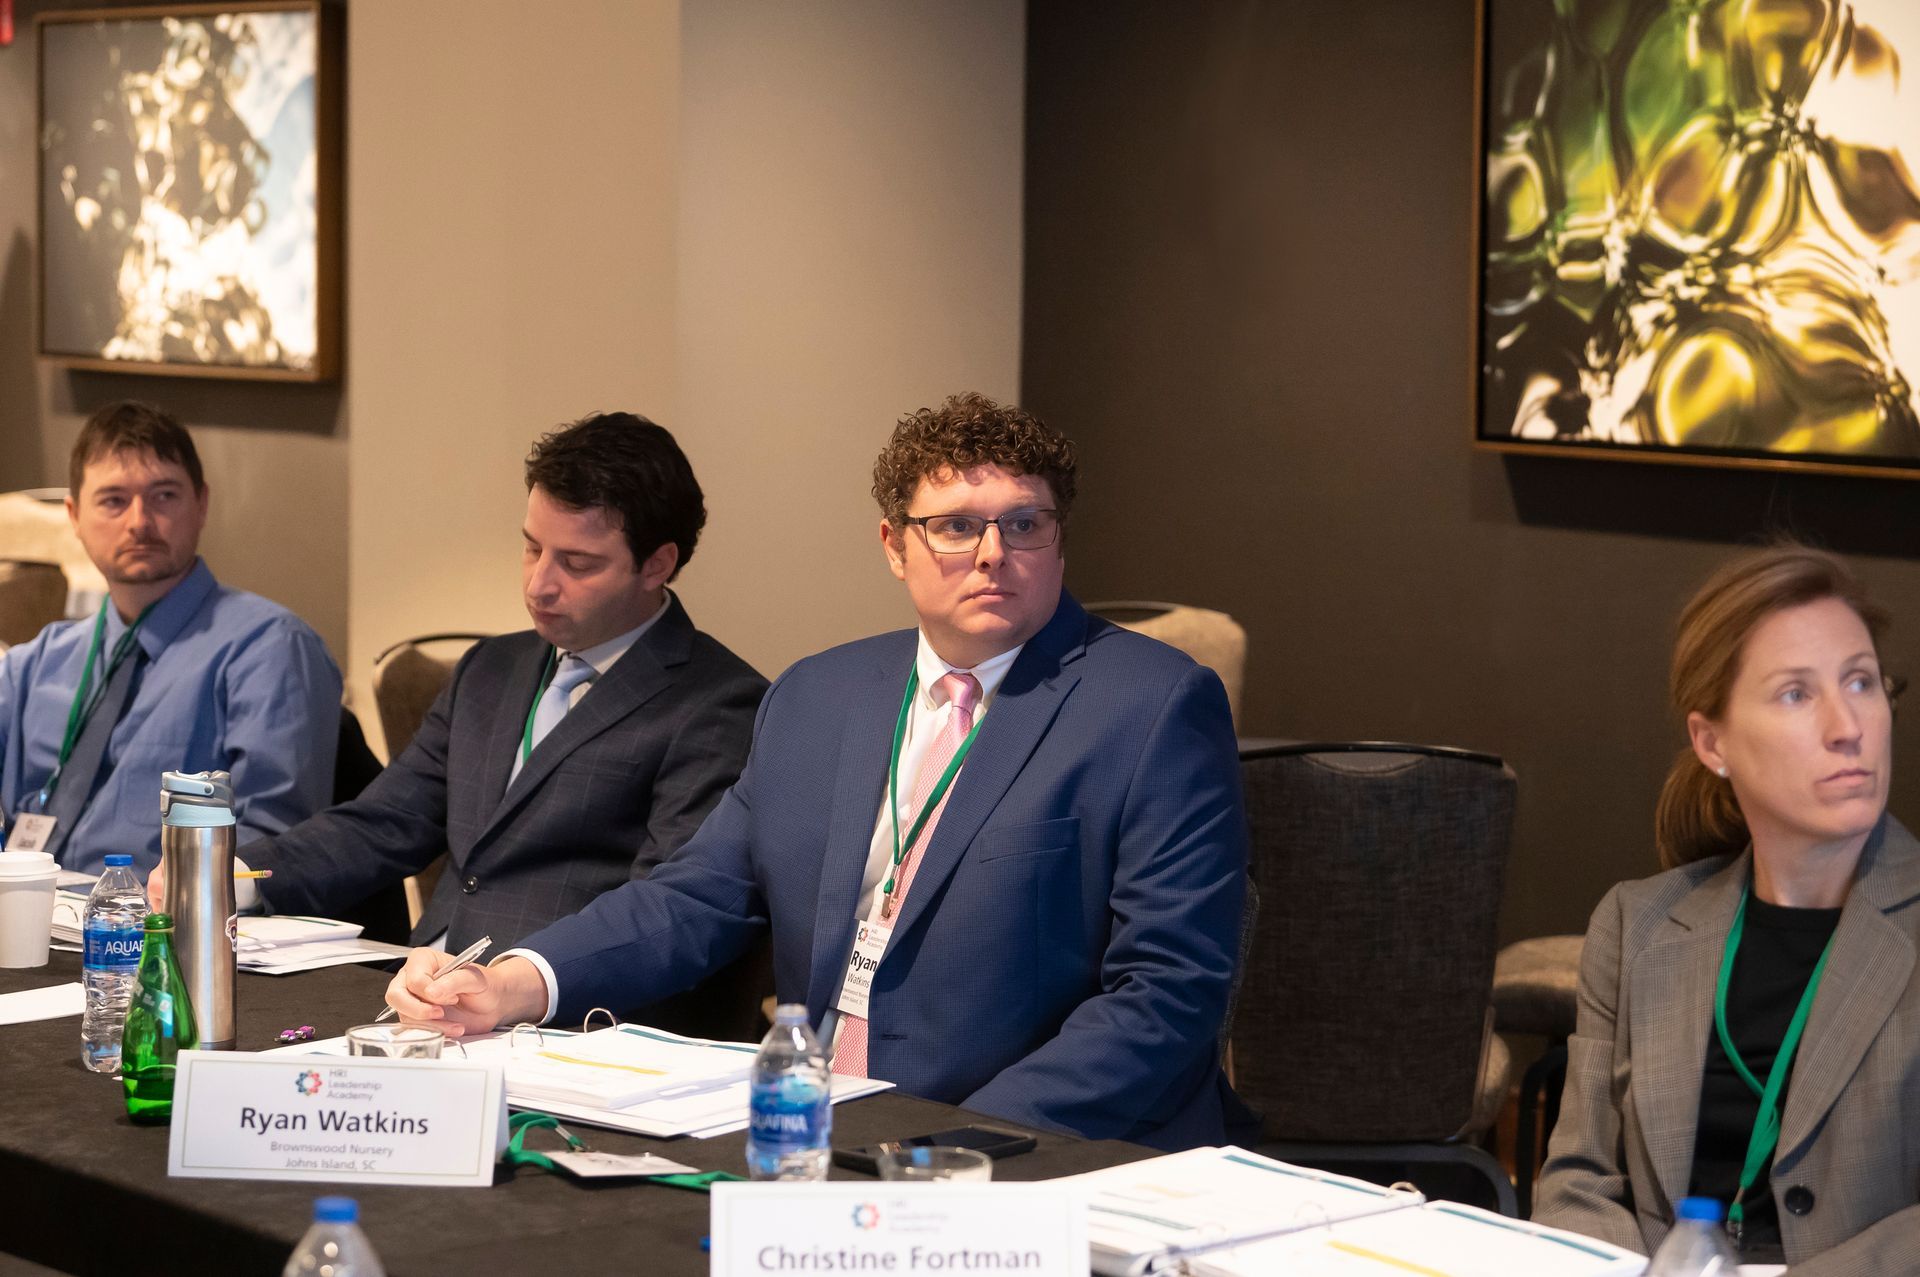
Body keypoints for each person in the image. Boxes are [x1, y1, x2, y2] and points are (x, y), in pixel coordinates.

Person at [383, 392, 1249, 1150]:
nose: (992, 553)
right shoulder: (818, 693)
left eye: (1024, 523)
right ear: (892, 544)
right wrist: (512, 983)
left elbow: (1167, 995)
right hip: (811, 1126)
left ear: (1058, 539)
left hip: (1027, 1145)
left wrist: (964, 1147)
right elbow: (697, 895)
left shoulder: (1153, 707)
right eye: (954, 526)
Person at [201, 412, 767, 953]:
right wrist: (233, 875)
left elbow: (669, 907)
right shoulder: (491, 669)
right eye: (531, 547)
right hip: (419, 988)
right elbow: (384, 823)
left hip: (569, 1019)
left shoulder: (718, 704)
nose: (539, 585)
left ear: (657, 565)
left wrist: (523, 979)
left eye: (577, 563)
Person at [1534, 544, 1920, 1272]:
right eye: (1796, 694)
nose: (1849, 725)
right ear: (1713, 742)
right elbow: (1576, 1183)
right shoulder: (1637, 923)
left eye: (1861, 681)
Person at [0, 401, 341, 875]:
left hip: (166, 936)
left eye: (163, 496)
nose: (139, 521)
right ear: (74, 516)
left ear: (201, 503)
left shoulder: (270, 649)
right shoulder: (33, 665)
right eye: (113, 500)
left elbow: (270, 851)